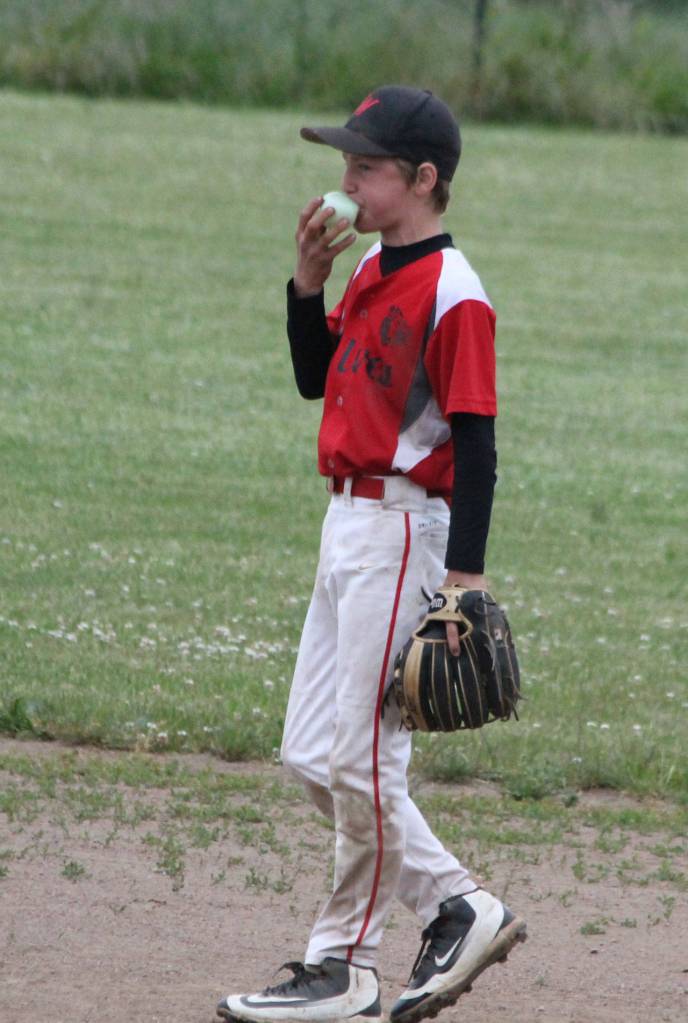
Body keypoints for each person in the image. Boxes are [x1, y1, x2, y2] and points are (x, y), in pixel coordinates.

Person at [217, 84, 526, 1023]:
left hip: (402, 531)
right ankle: (457, 905)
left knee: (363, 759)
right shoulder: (372, 272)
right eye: (345, 159)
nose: (345, 177)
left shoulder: (454, 290)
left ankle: (343, 967)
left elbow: (476, 445)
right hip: (345, 523)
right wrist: (307, 283)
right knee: (315, 753)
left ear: (424, 179)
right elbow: (319, 377)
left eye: (366, 165)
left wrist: (464, 585)